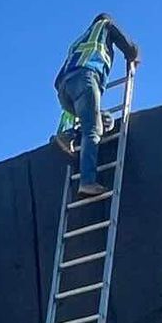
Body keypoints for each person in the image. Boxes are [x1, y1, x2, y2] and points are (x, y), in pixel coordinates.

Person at [53, 14, 139, 196]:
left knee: (105, 120)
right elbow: (127, 45)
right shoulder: (104, 25)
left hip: (64, 88)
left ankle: (69, 135)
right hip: (86, 78)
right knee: (93, 129)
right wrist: (133, 56)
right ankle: (87, 181)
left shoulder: (78, 42)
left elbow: (57, 80)